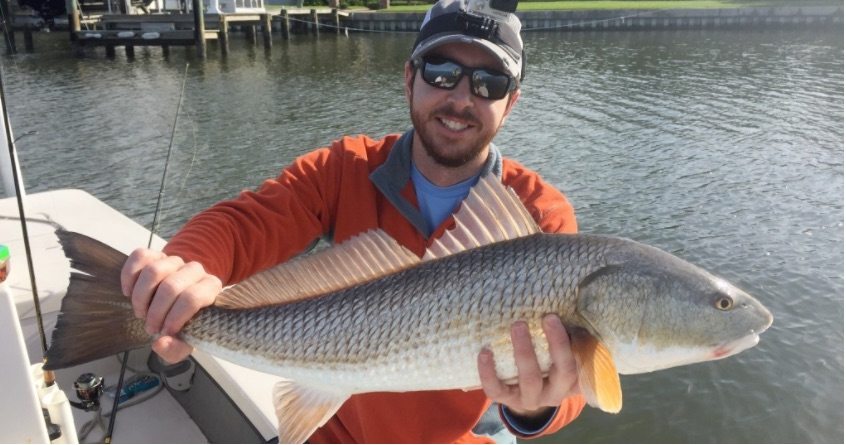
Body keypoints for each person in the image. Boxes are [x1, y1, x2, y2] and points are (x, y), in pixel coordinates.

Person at [120, 0, 586, 442]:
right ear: (409, 79)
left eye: (490, 83)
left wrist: (536, 407)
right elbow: (246, 224)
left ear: (511, 103)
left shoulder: (540, 215)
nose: (462, 98)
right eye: (441, 72)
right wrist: (180, 272)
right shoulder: (346, 168)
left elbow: (577, 386)